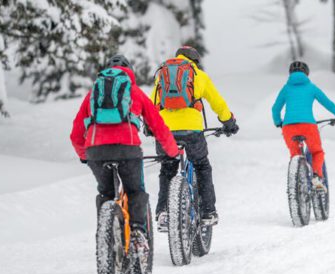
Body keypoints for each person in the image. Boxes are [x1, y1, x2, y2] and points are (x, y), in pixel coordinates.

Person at [70, 54, 180, 253]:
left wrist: (85, 156)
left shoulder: (94, 93)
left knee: (106, 193)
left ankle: (104, 239)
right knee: (135, 191)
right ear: (130, 72)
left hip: (96, 150)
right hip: (127, 149)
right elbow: (158, 126)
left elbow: (76, 133)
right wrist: (172, 152)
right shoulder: (134, 91)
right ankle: (138, 232)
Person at [150, 46, 238, 227]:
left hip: (165, 131)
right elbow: (217, 103)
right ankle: (208, 212)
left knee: (167, 169)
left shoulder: (162, 75)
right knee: (201, 166)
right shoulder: (198, 75)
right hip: (192, 131)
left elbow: (152, 103)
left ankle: (163, 212)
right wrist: (228, 122)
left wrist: (150, 127)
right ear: (195, 61)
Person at [271, 61, 335, 191]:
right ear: (306, 73)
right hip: (308, 126)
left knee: (295, 155)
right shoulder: (311, 87)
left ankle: (297, 183)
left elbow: (275, 109)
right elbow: (327, 103)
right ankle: (316, 176)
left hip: (289, 127)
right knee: (316, 152)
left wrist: (278, 122)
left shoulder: (286, 88)